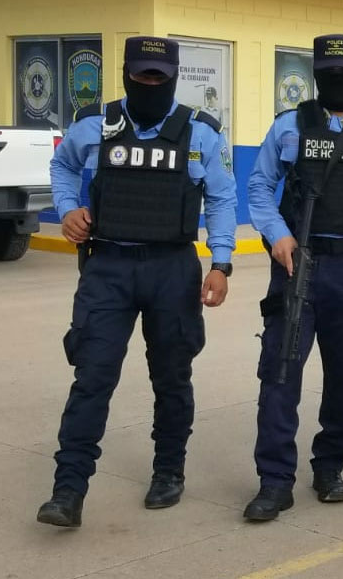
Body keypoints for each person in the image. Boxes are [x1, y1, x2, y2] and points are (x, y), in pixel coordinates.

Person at [37, 36, 237, 528]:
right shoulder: (94, 124)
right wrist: (67, 209)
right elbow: (62, 167)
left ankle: (168, 471)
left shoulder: (201, 131)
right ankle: (68, 491)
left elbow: (222, 198)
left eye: (158, 76)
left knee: (171, 377)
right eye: (142, 73)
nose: (150, 82)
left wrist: (221, 262)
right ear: (126, 72)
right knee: (92, 377)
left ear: (173, 77)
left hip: (172, 269)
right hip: (108, 266)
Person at [244, 34, 343, 521]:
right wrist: (277, 234)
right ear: (316, 76)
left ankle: (330, 466)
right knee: (280, 371)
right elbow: (259, 185)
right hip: (297, 262)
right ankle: (275, 481)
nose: (338, 80)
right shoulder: (289, 126)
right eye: (330, 73)